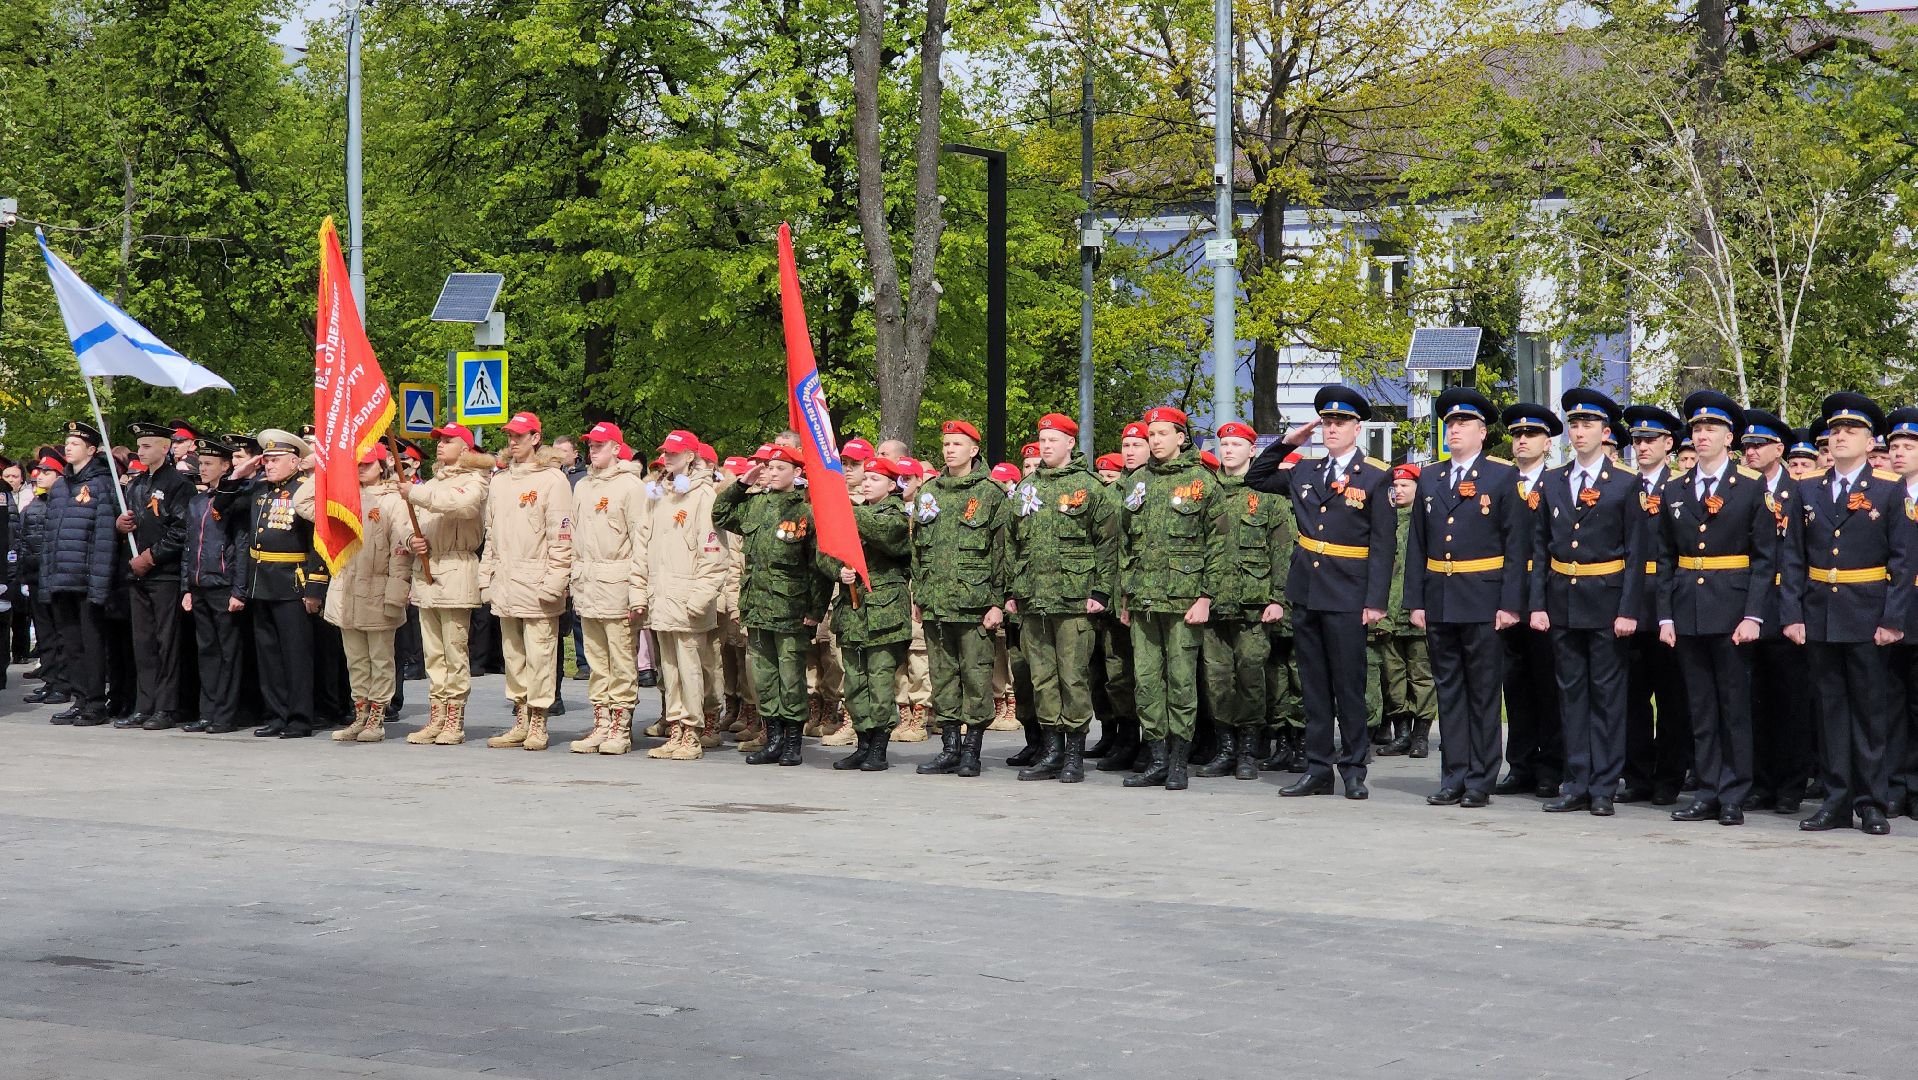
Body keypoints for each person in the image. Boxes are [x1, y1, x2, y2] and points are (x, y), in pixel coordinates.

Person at [1246, 387, 1396, 800]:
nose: (1331, 429)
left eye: (1339, 423)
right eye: (1326, 422)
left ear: (1356, 428)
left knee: (1349, 685)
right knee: (1312, 686)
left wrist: (1376, 600)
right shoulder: (1306, 471)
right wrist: (1287, 442)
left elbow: (1384, 543)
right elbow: (1255, 477)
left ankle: (1353, 769)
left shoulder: (1375, 475)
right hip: (1308, 591)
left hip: (1348, 591)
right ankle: (1317, 768)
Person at [1779, 391, 1912, 835]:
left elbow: (1903, 561)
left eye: (1850, 431)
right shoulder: (1807, 487)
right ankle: (1836, 801)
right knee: (1830, 711)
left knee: (1871, 713)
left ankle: (1871, 802)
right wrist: (1792, 613)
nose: (1839, 438)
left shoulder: (1888, 489)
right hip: (1820, 613)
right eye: (1834, 431)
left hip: (1868, 613)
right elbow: (1793, 557)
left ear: (1869, 440)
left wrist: (1893, 619)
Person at [1651, 391, 1777, 826]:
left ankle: (1734, 793)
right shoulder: (1675, 489)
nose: (1702, 436)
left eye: (1711, 429)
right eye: (1697, 429)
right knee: (1700, 706)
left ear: (1730, 438)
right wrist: (1665, 615)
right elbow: (1666, 556)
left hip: (1732, 609)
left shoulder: (1749, 487)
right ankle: (1707, 789)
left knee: (1733, 706)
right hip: (1688, 609)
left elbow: (1764, 558)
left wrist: (1753, 615)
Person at [1405, 388, 1528, 807]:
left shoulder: (1502, 476)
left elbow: (1517, 546)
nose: (1454, 430)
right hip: (1441, 597)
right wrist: (1415, 601)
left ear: (1481, 430)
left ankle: (1480, 779)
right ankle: (1452, 775)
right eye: (1450, 423)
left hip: (1484, 599)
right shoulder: (1430, 476)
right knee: (1449, 691)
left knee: (1483, 693)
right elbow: (1417, 545)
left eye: (1463, 424)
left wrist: (1511, 604)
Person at [1532, 390, 1642, 816]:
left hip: (1607, 601)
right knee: (1571, 694)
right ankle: (1576, 780)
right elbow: (1542, 548)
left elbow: (1636, 554)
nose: (1579, 432)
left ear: (1605, 432)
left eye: (1588, 425)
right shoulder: (1553, 480)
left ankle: (1603, 786)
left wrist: (1629, 610)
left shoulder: (1624, 483)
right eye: (1575, 425)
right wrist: (1538, 604)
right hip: (1563, 600)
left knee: (1607, 696)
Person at [1005, 413, 1120, 783]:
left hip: (1075, 598)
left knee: (1072, 677)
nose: (1046, 445)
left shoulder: (1090, 488)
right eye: (1042, 439)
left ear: (1071, 443)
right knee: (1042, 679)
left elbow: (1109, 542)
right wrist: (1010, 590)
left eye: (1054, 439)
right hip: (1033, 598)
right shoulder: (1026, 488)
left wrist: (1101, 591)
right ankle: (1051, 749)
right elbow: (1010, 543)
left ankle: (1074, 752)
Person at [1118, 406, 1225, 791]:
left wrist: (1206, 596)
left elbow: (1218, 546)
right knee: (1146, 683)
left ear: (1181, 437)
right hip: (1144, 600)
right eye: (1152, 435)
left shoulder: (1202, 481)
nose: (1155, 440)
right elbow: (1126, 546)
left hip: (1184, 600)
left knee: (1181, 682)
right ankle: (1157, 759)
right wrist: (1125, 597)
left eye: (1163, 434)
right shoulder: (1136, 482)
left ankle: (1179, 760)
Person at [713, 442, 825, 766]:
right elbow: (720, 514)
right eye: (769, 468)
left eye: (780, 468)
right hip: (758, 606)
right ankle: (773, 738)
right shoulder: (753, 505)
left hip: (791, 609)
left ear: (797, 473)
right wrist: (741, 484)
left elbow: (817, 566)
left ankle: (792, 743)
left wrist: (815, 611)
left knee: (791, 679)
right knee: (764, 678)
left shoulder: (804, 510)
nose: (772, 473)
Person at [911, 420, 1010, 777]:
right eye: (946, 443)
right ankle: (949, 748)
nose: (949, 449)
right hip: (936, 604)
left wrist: (998, 601)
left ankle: (972, 750)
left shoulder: (991, 493)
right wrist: (919, 595)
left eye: (957, 444)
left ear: (974, 450)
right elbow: (918, 550)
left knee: (976, 677)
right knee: (943, 678)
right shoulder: (929, 492)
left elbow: (1003, 554)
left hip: (975, 604)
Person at [477, 412, 575, 751]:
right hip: (506, 582)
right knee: (513, 656)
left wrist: (554, 583)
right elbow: (490, 536)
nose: (513, 441)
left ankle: (539, 720)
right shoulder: (500, 481)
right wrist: (485, 579)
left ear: (536, 438)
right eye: (510, 435)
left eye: (520, 435)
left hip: (537, 583)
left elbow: (562, 538)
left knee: (541, 654)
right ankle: (520, 717)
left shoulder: (553, 480)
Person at [1197, 421, 1289, 781]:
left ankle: (1250, 750)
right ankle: (1225, 748)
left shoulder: (1268, 496)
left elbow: (1282, 550)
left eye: (1237, 445)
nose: (1229, 451)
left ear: (1252, 450)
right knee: (1217, 679)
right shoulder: (1206, 492)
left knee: (1251, 676)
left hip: (1254, 603)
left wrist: (1278, 598)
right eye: (1224, 445)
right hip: (1213, 602)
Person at [219, 429, 325, 738]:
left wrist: (315, 587)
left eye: (276, 460)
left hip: (293, 583)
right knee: (269, 656)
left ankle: (299, 718)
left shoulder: (305, 490)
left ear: (295, 461)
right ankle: (277, 714)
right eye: (266, 459)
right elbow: (220, 510)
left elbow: (317, 542)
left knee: (295, 655)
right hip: (261, 582)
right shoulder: (259, 490)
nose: (269, 465)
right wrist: (238, 474)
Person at [396, 424, 492, 746]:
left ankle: (455, 717)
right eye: (438, 440)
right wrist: (412, 541)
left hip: (455, 566)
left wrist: (417, 493)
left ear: (465, 448)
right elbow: (413, 523)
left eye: (448, 441)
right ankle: (436, 715)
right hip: (428, 569)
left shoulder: (476, 479)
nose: (440, 445)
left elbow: (462, 506)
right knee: (433, 652)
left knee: (454, 648)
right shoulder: (433, 483)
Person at [561, 422, 650, 756]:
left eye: (599, 445)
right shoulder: (582, 486)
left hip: (618, 580)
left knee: (621, 658)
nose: (592, 450)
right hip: (588, 582)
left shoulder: (631, 487)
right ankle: (601, 721)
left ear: (616, 448)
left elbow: (642, 542)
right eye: (590, 445)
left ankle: (620, 725)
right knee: (597, 660)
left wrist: (638, 591)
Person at [1619, 404, 1692, 805]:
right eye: (1637, 440)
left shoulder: (1681, 485)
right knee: (1631, 696)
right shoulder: (1624, 485)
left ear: (1669, 443)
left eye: (1650, 440)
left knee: (1672, 697)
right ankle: (1637, 776)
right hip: (1629, 603)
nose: (1642, 447)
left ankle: (1669, 778)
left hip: (1669, 603)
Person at [823, 456, 914, 771]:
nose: (867, 483)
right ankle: (863, 743)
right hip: (852, 612)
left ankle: (879, 747)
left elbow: (884, 534)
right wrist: (838, 571)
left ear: (891, 485)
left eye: (875, 479)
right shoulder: (853, 512)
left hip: (883, 613)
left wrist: (845, 508)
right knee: (855, 681)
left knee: (878, 680)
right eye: (866, 478)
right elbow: (826, 552)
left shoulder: (896, 514)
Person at [323, 444, 414, 743]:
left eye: (367, 463)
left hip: (377, 588)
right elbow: (304, 502)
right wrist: (324, 467)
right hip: (346, 587)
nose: (361, 468)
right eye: (356, 464)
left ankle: (377, 717)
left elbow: (401, 550)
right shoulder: (344, 496)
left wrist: (396, 594)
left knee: (380, 657)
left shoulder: (393, 501)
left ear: (382, 465)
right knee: (356, 659)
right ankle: (359, 714)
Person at [1492, 403, 1562, 794]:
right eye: (1517, 435)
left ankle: (1552, 766)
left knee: (1548, 683)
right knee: (1514, 684)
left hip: (1547, 594)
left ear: (1547, 443)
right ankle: (1520, 764)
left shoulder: (1556, 483)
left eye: (1530, 435)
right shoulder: (1500, 483)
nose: (1521, 440)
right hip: (1505, 594)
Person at [116, 422, 196, 730]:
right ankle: (144, 704)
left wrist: (151, 557)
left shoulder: (179, 485)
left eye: (147, 445)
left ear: (165, 447)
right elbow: (135, 523)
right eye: (139, 446)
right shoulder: (136, 485)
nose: (141, 451)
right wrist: (121, 525)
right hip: (138, 576)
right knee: (144, 642)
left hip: (164, 575)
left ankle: (167, 706)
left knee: (167, 643)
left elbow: (181, 529)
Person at [42, 421, 121, 728]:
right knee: (71, 643)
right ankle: (79, 699)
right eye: (67, 442)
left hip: (87, 581)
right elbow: (51, 537)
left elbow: (103, 539)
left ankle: (96, 703)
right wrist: (48, 581)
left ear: (91, 449)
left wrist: (99, 587)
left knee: (91, 644)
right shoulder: (61, 485)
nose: (69, 447)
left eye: (76, 443)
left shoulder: (101, 484)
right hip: (61, 579)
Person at [178, 439, 247, 733]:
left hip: (223, 584)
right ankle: (207, 712)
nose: (203, 469)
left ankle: (226, 713)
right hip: (200, 583)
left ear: (225, 466)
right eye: (201, 464)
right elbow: (189, 546)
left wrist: (238, 590)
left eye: (209, 464)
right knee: (207, 651)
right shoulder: (196, 501)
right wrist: (186, 587)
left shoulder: (235, 499)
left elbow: (241, 546)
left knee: (229, 652)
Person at [1373, 464, 1435, 759]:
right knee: (1393, 674)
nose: (1398, 491)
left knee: (1421, 674)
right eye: (1395, 487)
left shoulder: (1425, 521)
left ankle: (1421, 734)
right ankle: (1402, 732)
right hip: (1387, 611)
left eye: (1405, 486)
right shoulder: (1383, 519)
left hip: (1416, 610)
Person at [19, 453, 68, 708]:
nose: (39, 475)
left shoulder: (65, 502)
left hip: (57, 576)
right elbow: (24, 540)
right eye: (39, 471)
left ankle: (63, 682)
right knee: (45, 633)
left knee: (61, 633)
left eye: (47, 472)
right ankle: (50, 680)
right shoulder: (34, 505)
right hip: (36, 576)